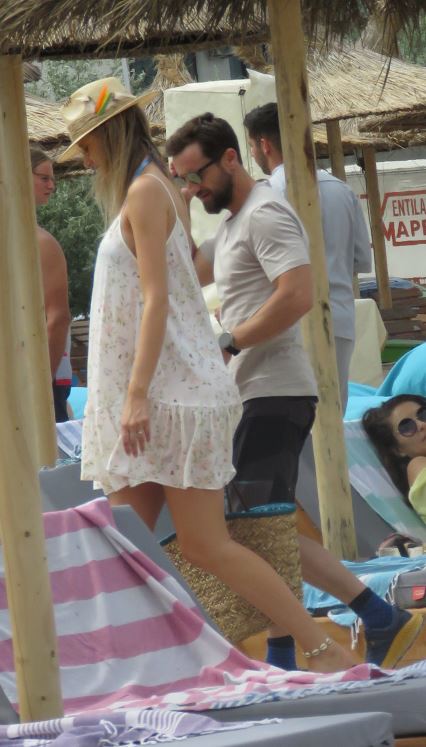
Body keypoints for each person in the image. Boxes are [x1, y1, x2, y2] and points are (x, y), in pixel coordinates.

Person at [58, 76, 354, 674]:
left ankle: (320, 648)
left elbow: (158, 299)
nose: (85, 160)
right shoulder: (153, 189)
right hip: (161, 392)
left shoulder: (147, 191)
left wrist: (136, 395)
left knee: (198, 544)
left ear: (107, 136)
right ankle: (140, 666)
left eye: (86, 146)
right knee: (133, 546)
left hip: (167, 395)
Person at [167, 112, 423, 671]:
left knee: (254, 530)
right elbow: (180, 269)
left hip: (275, 393)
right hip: (255, 394)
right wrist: (176, 202)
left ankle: (341, 629)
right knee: (262, 531)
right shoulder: (230, 226)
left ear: (232, 157)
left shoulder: (265, 214)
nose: (194, 187)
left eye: (197, 175)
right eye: (184, 179)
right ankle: (341, 629)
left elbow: (298, 294)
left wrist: (231, 341)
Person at [243, 102, 372, 412]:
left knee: (294, 424)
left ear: (265, 145)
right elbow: (360, 261)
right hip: (339, 319)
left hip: (289, 326)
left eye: (252, 146)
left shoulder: (265, 197)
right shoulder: (341, 191)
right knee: (333, 419)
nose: (253, 154)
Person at [31, 145, 72, 422]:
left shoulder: (43, 243)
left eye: (52, 179)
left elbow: (58, 318)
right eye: (44, 178)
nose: (52, 186)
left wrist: (39, 382)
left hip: (43, 377)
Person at [363, 394, 426, 524]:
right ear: (398, 450)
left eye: (423, 414)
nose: (421, 424)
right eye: (406, 427)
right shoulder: (417, 465)